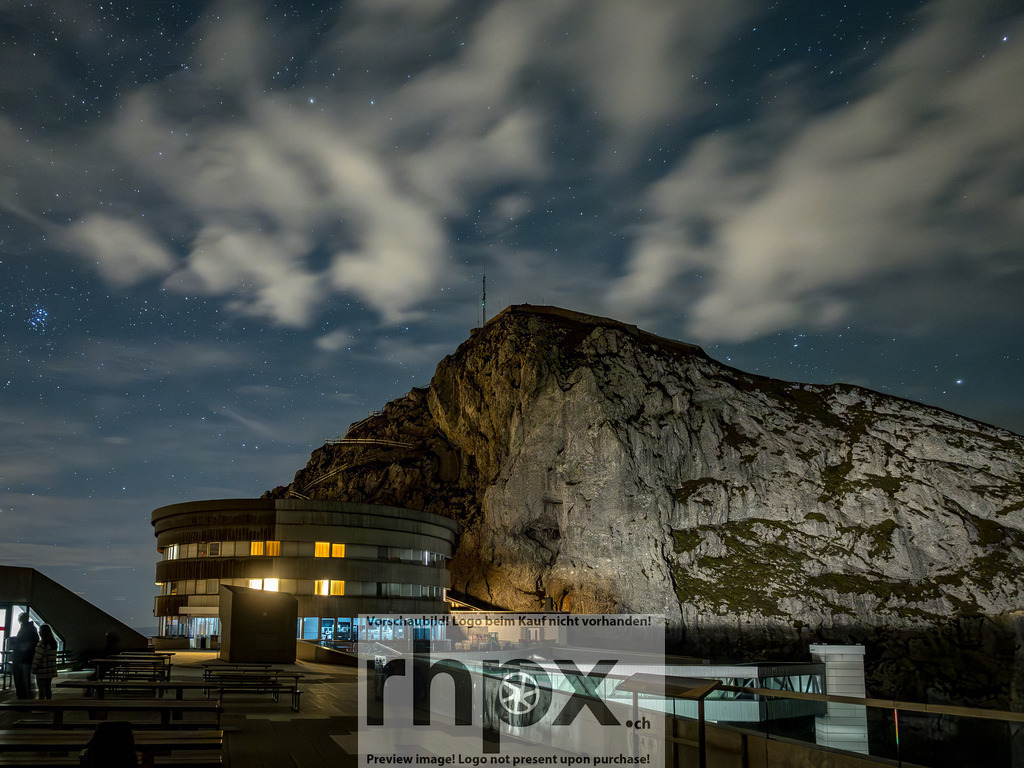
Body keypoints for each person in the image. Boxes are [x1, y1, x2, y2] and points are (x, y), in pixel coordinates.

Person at [11, 612, 39, 699]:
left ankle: (24, 694)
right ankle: (26, 694)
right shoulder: (31, 629)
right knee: (25, 677)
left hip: (23, 657)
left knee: (22, 677)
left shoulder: (25, 629)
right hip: (26, 657)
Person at [32, 624, 59, 699]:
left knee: (41, 690)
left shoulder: (42, 644)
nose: (39, 632)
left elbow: (37, 658)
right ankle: (49, 702)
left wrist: (33, 668)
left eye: (40, 631)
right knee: (48, 688)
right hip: (50, 670)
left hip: (42, 670)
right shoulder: (53, 644)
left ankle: (42, 703)